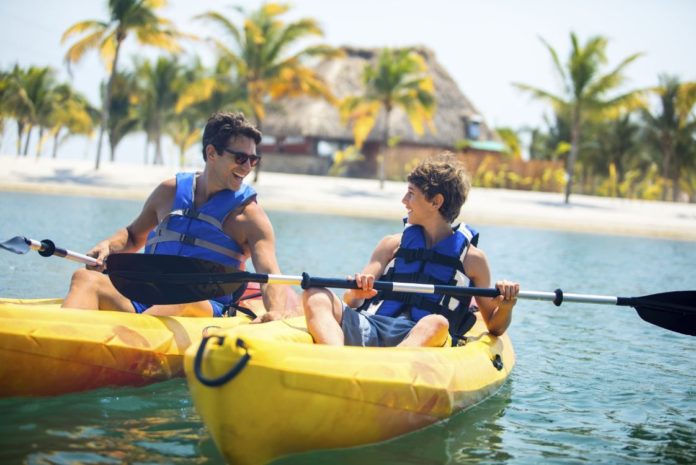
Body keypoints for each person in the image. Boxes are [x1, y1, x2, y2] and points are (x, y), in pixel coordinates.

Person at [62, 111, 294, 321]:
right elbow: (132, 236)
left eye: (253, 160)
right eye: (241, 158)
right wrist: (108, 245)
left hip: (202, 307)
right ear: (211, 153)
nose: (247, 167)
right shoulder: (168, 192)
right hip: (146, 295)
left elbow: (269, 272)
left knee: (186, 302)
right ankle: (59, 343)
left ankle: (129, 335)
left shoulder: (249, 216)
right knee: (85, 279)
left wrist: (275, 311)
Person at [303, 153, 519, 347]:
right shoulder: (390, 245)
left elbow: (495, 327)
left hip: (422, 335)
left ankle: (392, 366)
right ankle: (335, 358)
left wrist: (506, 305)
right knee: (315, 294)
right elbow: (352, 301)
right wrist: (356, 293)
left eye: (411, 193)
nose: (404, 201)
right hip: (371, 324)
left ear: (436, 202)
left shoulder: (473, 260)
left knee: (437, 323)